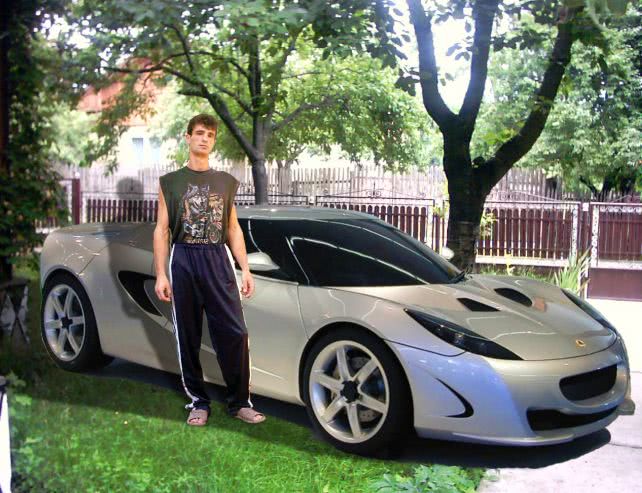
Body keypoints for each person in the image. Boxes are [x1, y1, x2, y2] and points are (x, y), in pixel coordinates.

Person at [153, 113, 265, 426]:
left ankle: (239, 402)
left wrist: (245, 268)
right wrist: (161, 273)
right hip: (184, 258)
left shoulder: (225, 182)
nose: (204, 139)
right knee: (187, 334)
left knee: (235, 332)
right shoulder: (170, 183)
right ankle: (198, 402)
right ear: (188, 137)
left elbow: (232, 228)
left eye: (210, 135)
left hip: (217, 258)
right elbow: (161, 230)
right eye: (200, 133)